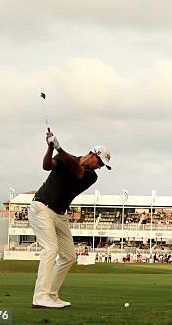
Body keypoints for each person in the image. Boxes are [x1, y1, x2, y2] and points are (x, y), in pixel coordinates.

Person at [29, 130, 111, 308]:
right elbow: (46, 166)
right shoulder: (65, 158)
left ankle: (51, 294)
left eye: (102, 166)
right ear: (92, 154)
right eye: (100, 162)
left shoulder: (91, 176)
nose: (99, 167)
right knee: (50, 250)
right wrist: (50, 148)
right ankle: (40, 297)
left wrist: (58, 146)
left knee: (68, 256)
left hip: (59, 215)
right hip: (41, 208)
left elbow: (77, 170)